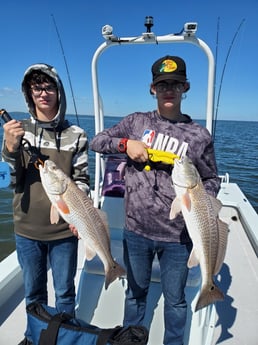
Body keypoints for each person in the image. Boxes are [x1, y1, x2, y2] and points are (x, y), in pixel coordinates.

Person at [90, 55, 221, 345]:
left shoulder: (199, 135)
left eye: (175, 84)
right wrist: (126, 144)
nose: (169, 90)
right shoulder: (137, 122)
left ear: (185, 86)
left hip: (179, 237)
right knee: (135, 295)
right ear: (153, 89)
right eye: (162, 85)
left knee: (176, 301)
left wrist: (201, 199)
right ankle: (130, 341)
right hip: (136, 230)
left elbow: (211, 178)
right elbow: (97, 141)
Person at [1, 63, 90, 345]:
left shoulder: (77, 134)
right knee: (34, 293)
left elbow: (82, 180)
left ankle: (65, 339)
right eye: (36, 87)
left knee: (65, 292)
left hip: (64, 232)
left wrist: (80, 217)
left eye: (48, 86)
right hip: (27, 229)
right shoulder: (17, 131)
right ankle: (33, 336)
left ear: (58, 91)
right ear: (29, 92)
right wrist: (10, 149)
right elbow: (6, 180)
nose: (43, 92)